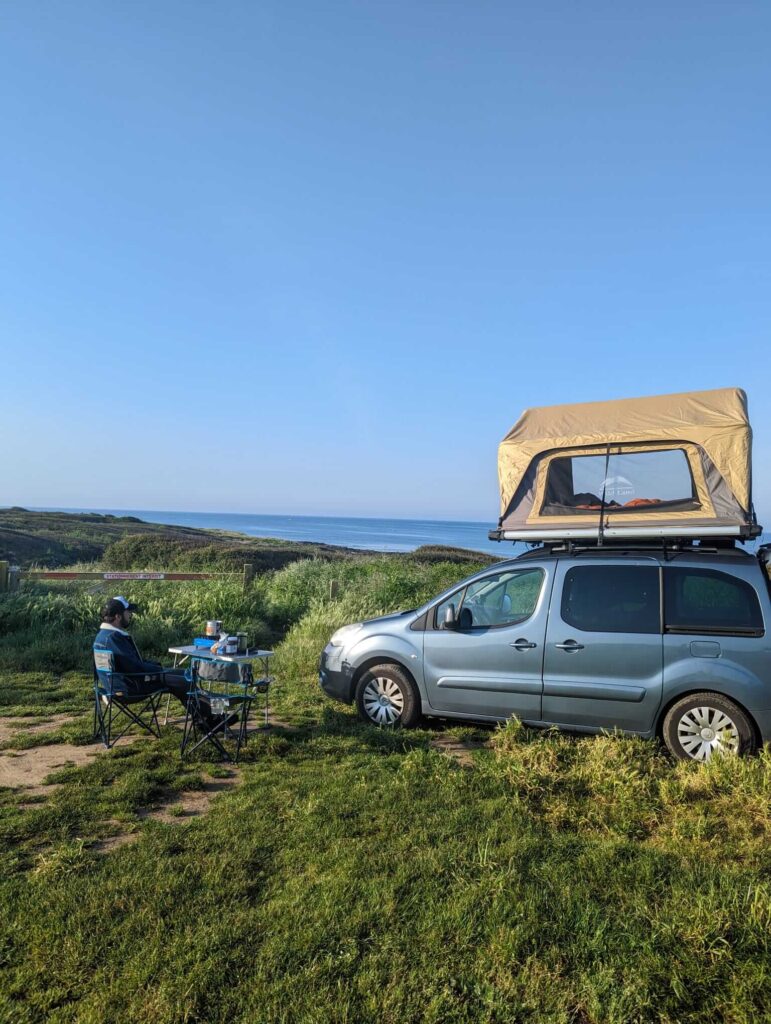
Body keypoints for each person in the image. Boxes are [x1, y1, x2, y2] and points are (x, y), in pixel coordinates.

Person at [94, 595, 210, 723]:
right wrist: (158, 669)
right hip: (129, 689)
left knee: (183, 675)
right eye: (128, 612)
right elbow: (135, 667)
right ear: (118, 616)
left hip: (117, 686)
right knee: (184, 679)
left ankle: (205, 718)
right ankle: (208, 720)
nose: (130, 615)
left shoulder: (102, 636)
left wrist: (157, 667)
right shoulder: (113, 638)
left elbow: (131, 663)